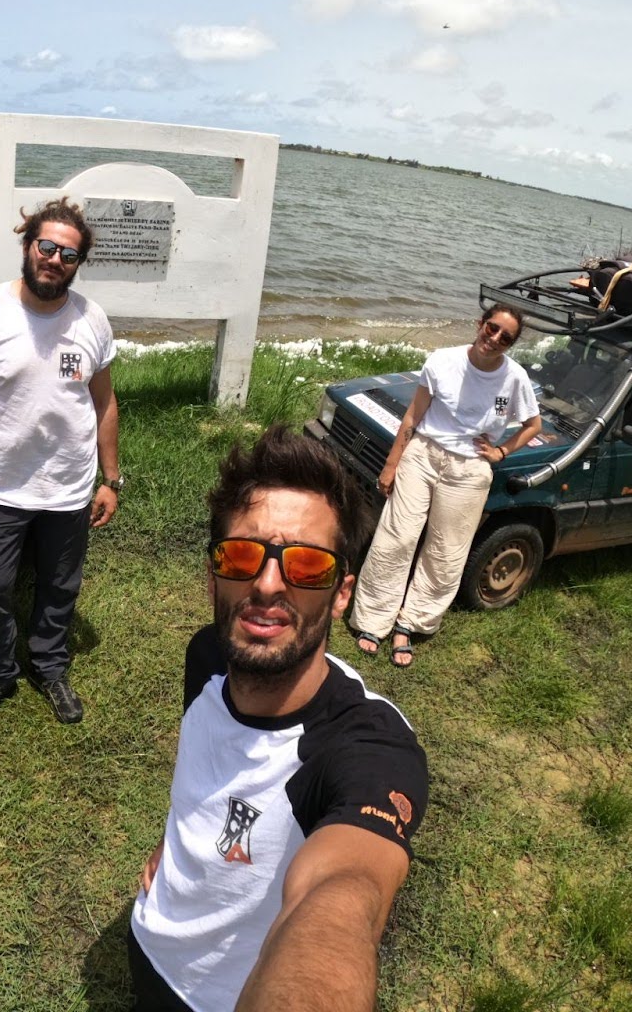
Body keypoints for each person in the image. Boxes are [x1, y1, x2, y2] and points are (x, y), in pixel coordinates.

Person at [131, 426, 428, 1011]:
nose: (267, 585)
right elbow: (210, 774)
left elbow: (345, 890)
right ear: (214, 576)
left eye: (307, 566)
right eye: (242, 556)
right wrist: (179, 845)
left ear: (341, 594)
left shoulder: (368, 746)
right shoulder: (209, 656)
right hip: (151, 942)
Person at [0, 197, 121, 729]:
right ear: (28, 245)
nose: (55, 259)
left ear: (78, 263)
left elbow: (105, 403)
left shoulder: (92, 319)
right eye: (47, 247)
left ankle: (49, 666)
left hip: (68, 487)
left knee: (60, 588)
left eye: (69, 254)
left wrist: (111, 479)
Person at [349, 304, 543, 668]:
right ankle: (373, 618)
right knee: (397, 536)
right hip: (422, 455)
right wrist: (391, 465)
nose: (494, 338)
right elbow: (414, 414)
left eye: (505, 337)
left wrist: (501, 451)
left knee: (446, 550)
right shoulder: (443, 360)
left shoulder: (514, 378)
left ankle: (411, 622)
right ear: (480, 323)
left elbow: (533, 425)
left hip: (469, 470)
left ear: (511, 344)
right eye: (492, 328)